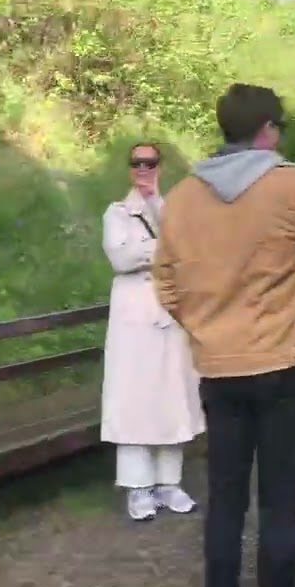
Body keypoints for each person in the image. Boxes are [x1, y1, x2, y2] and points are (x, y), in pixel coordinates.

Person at [152, 84, 295, 587]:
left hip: (219, 372)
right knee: (280, 504)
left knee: (224, 501)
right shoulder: (291, 186)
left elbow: (165, 282)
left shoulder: (184, 196)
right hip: (284, 371)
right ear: (268, 130)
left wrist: (207, 331)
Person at [100, 142, 206, 522]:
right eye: (137, 163)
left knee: (171, 395)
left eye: (150, 163)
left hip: (169, 314)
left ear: (160, 167)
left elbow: (190, 251)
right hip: (133, 320)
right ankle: (138, 488)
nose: (143, 169)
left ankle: (169, 483)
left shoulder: (172, 210)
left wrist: (152, 244)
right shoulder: (116, 212)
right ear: (130, 168)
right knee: (134, 398)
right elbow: (119, 257)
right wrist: (162, 247)